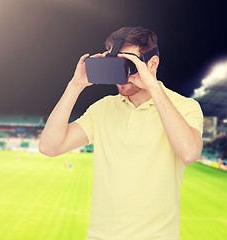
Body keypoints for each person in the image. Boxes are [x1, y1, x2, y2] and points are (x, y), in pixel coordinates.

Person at [39, 27, 203, 239]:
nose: (122, 74)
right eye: (116, 64)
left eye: (130, 65)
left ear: (152, 64)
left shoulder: (184, 107)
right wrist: (75, 85)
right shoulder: (103, 108)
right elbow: (49, 147)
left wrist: (153, 88)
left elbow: (189, 153)